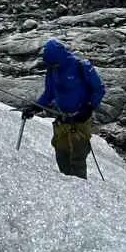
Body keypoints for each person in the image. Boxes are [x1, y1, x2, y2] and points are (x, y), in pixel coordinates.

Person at [20, 39, 104, 178]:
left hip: (80, 120)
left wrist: (89, 107)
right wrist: (35, 107)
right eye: (51, 64)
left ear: (62, 57)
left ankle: (81, 189)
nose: (54, 66)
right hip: (62, 119)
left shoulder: (80, 66)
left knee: (78, 156)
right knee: (61, 155)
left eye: (55, 63)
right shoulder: (52, 69)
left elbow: (99, 89)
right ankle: (66, 184)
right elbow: (49, 93)